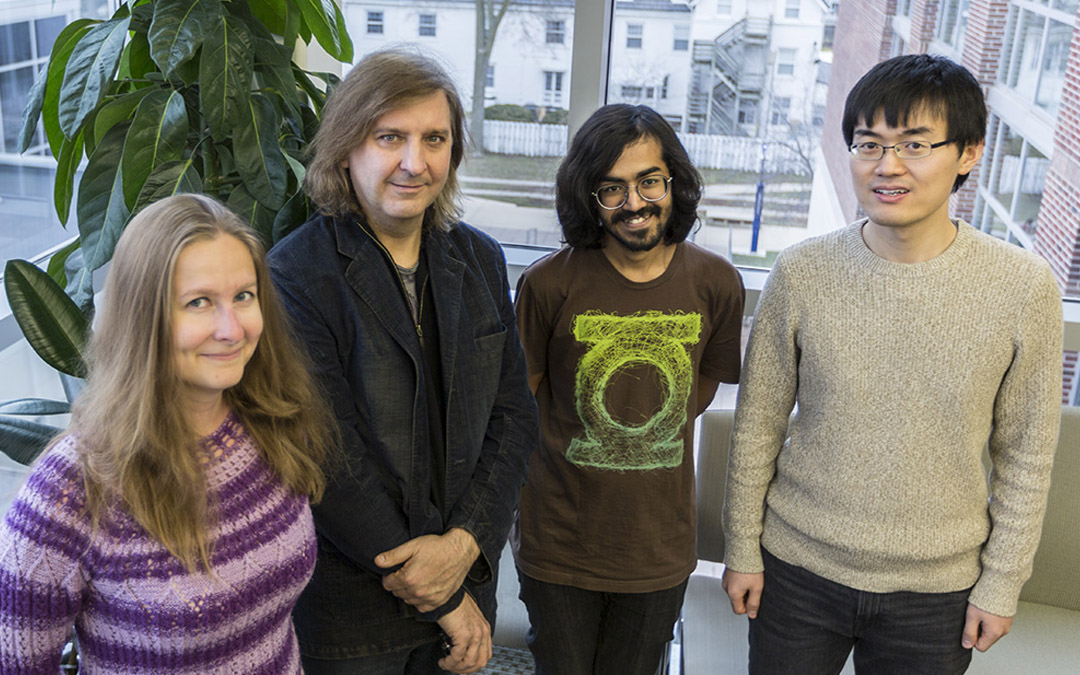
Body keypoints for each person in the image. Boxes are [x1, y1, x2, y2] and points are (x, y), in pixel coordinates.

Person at [722, 54, 1063, 674]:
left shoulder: (1023, 287)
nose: (888, 166)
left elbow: (1027, 455)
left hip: (938, 595)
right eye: (868, 144)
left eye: (914, 144)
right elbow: (757, 428)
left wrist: (1001, 583)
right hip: (797, 572)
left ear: (968, 154)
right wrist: (743, 548)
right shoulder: (801, 272)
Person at [267, 48, 538, 675]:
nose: (415, 162)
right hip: (355, 616)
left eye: (434, 138)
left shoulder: (480, 260)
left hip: (465, 592)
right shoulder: (295, 274)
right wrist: (439, 589)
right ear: (345, 148)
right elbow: (328, 454)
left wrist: (464, 545)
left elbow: (513, 416)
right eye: (390, 137)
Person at [0, 194, 333, 673]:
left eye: (244, 295)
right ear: (144, 319)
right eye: (198, 302)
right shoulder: (73, 487)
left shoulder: (271, 421)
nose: (231, 328)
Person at [513, 104, 745, 675]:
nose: (635, 204)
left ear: (674, 182)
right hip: (558, 543)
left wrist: (648, 425)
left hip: (657, 546)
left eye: (649, 182)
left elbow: (704, 382)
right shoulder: (547, 284)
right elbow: (521, 404)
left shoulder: (716, 282)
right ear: (587, 199)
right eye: (611, 190)